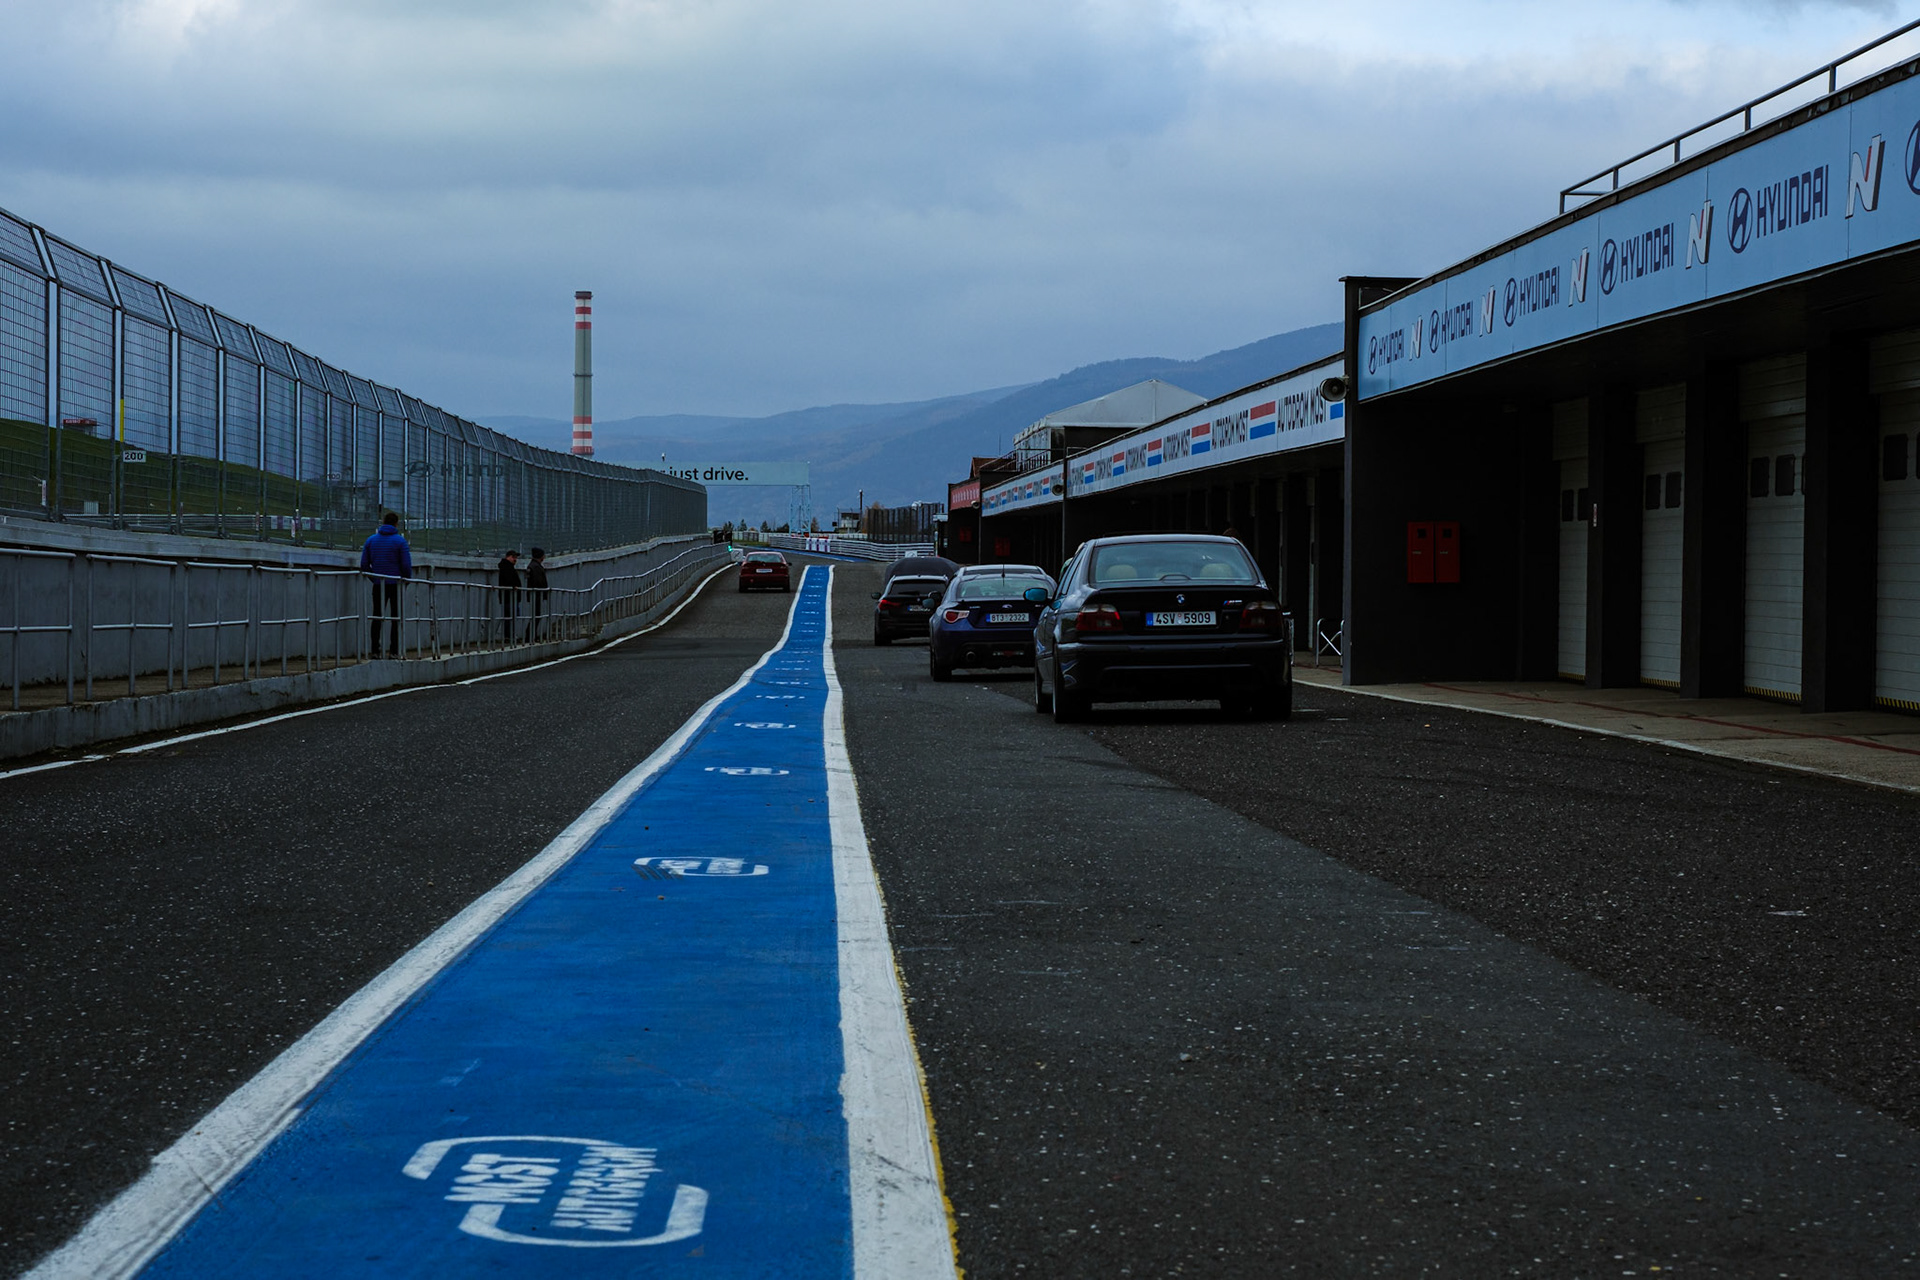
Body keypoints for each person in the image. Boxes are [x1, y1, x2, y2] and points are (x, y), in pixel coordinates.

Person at [359, 512, 412, 657]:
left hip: (378, 584)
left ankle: (375, 650)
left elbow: (364, 564)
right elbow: (406, 565)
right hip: (396, 584)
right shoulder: (400, 542)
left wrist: (375, 578)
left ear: (383, 522)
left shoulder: (371, 540)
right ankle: (394, 651)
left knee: (377, 616)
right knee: (396, 617)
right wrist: (405, 580)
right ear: (396, 523)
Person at [525, 547, 550, 641]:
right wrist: (543, 591)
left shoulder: (533, 566)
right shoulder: (536, 567)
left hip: (535, 594)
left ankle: (531, 635)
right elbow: (538, 581)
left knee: (535, 616)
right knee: (536, 616)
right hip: (536, 594)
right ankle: (530, 636)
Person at [497, 549, 522, 643]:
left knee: (510, 616)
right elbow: (508, 580)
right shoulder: (506, 567)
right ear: (508, 557)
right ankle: (508, 636)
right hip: (509, 596)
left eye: (516, 557)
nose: (515, 559)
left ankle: (509, 635)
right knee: (509, 616)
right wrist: (513, 586)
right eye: (513, 557)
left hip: (510, 596)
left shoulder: (507, 567)